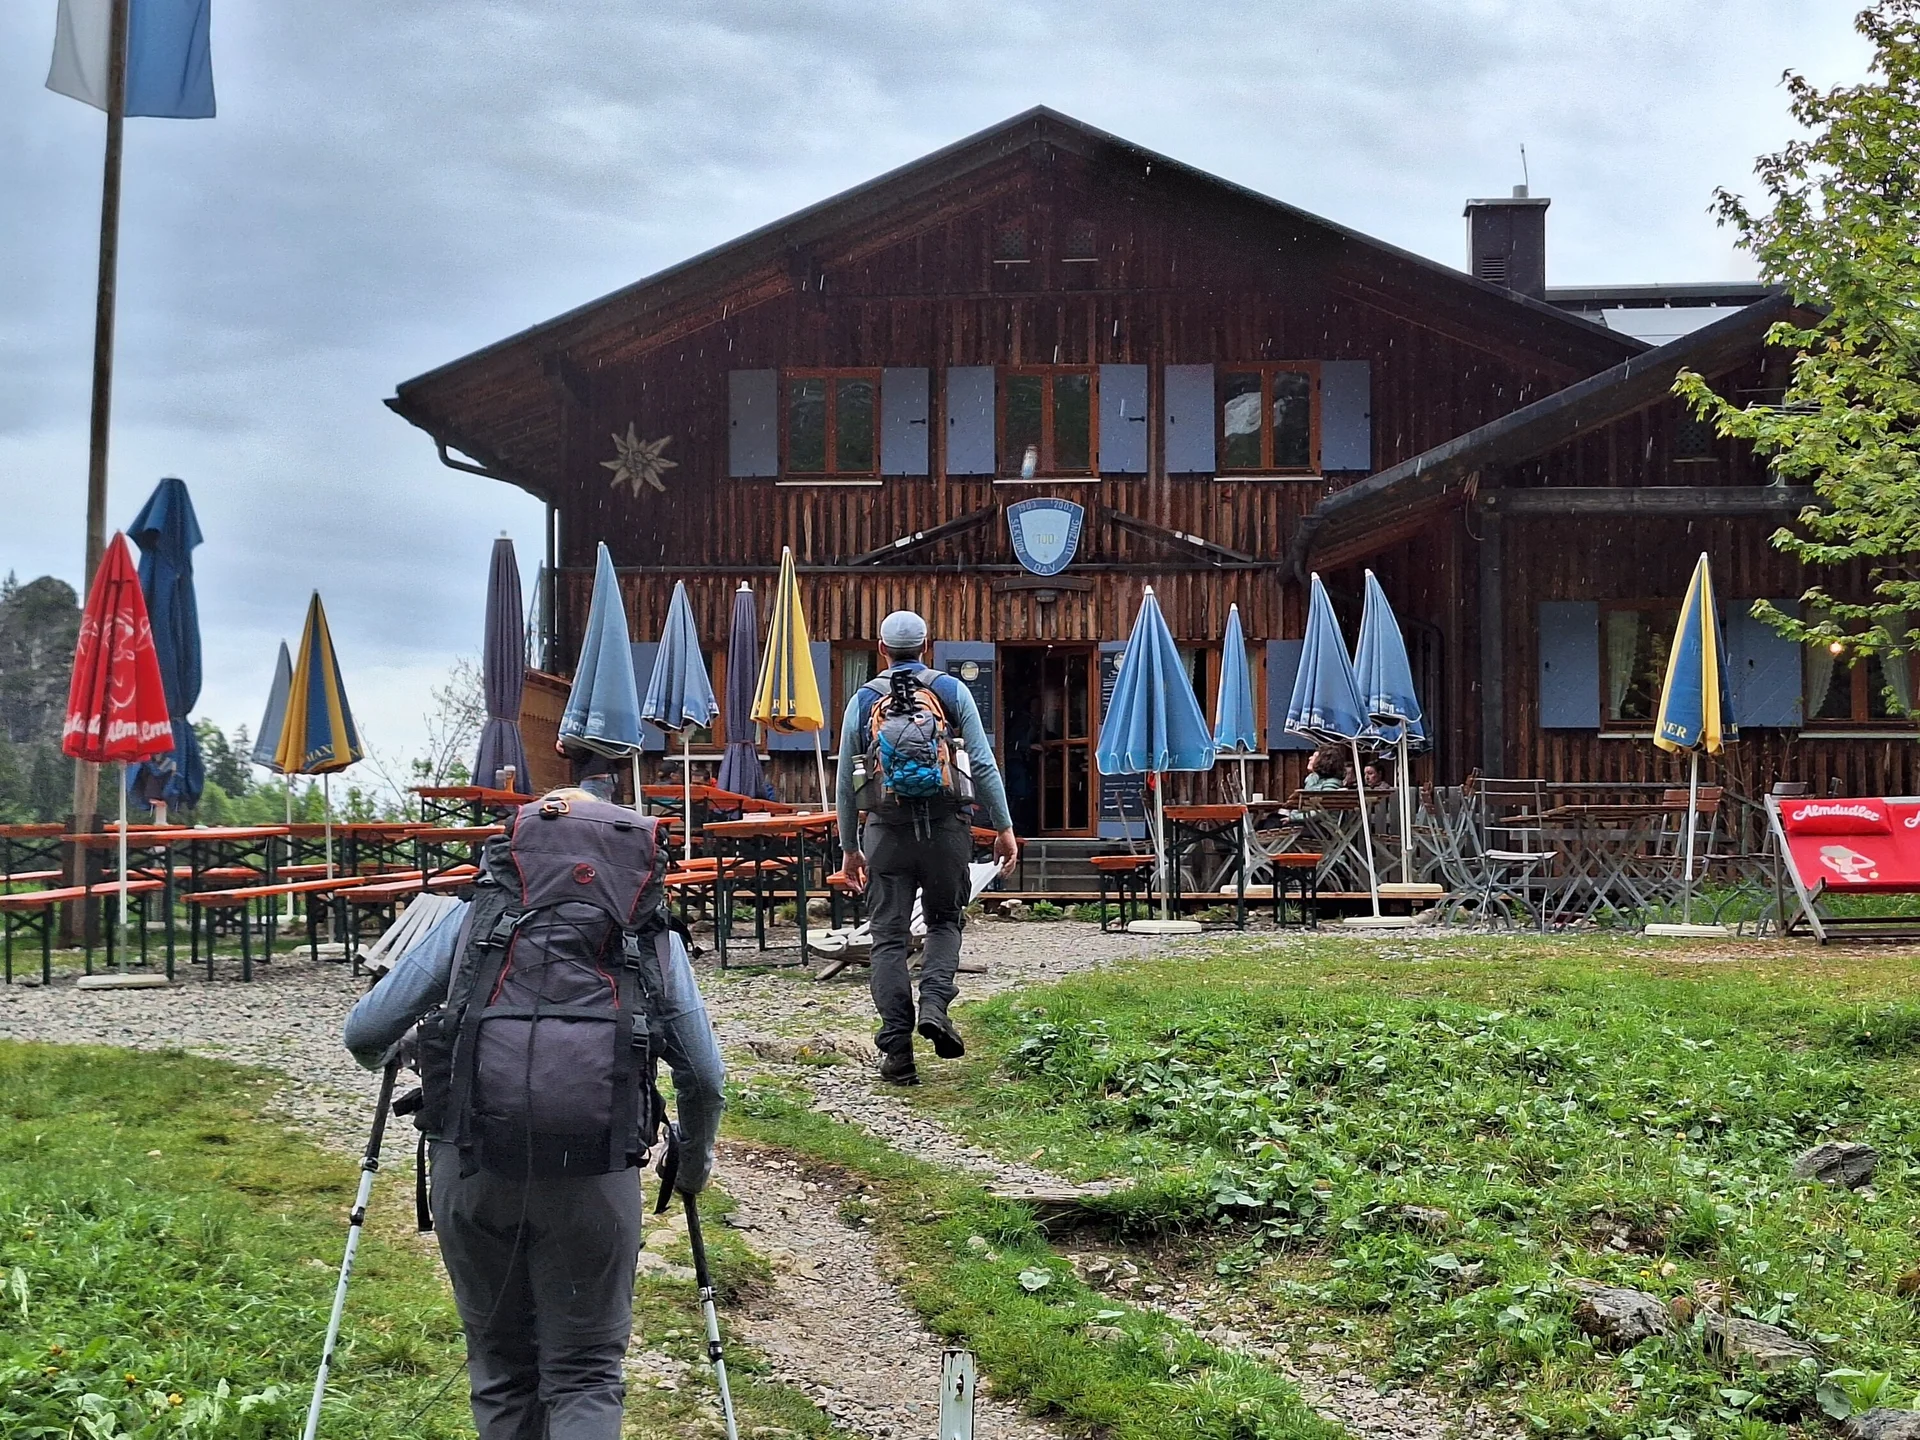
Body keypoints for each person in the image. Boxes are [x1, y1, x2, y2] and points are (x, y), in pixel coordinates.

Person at [343, 786, 724, 1440]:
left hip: (471, 1162)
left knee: (501, 1369)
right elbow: (704, 1078)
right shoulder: (648, 935)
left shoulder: (472, 920)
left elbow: (364, 1032)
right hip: (594, 1175)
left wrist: (409, 1051)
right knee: (584, 1373)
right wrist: (691, 1163)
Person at [837, 611, 1018, 1085]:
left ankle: (897, 1052)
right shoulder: (950, 691)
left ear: (881, 649)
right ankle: (934, 1007)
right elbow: (982, 762)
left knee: (888, 939)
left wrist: (850, 846)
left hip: (885, 833)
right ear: (927, 646)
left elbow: (845, 780)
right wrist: (1003, 826)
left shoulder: (864, 699)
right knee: (943, 923)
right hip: (946, 830)